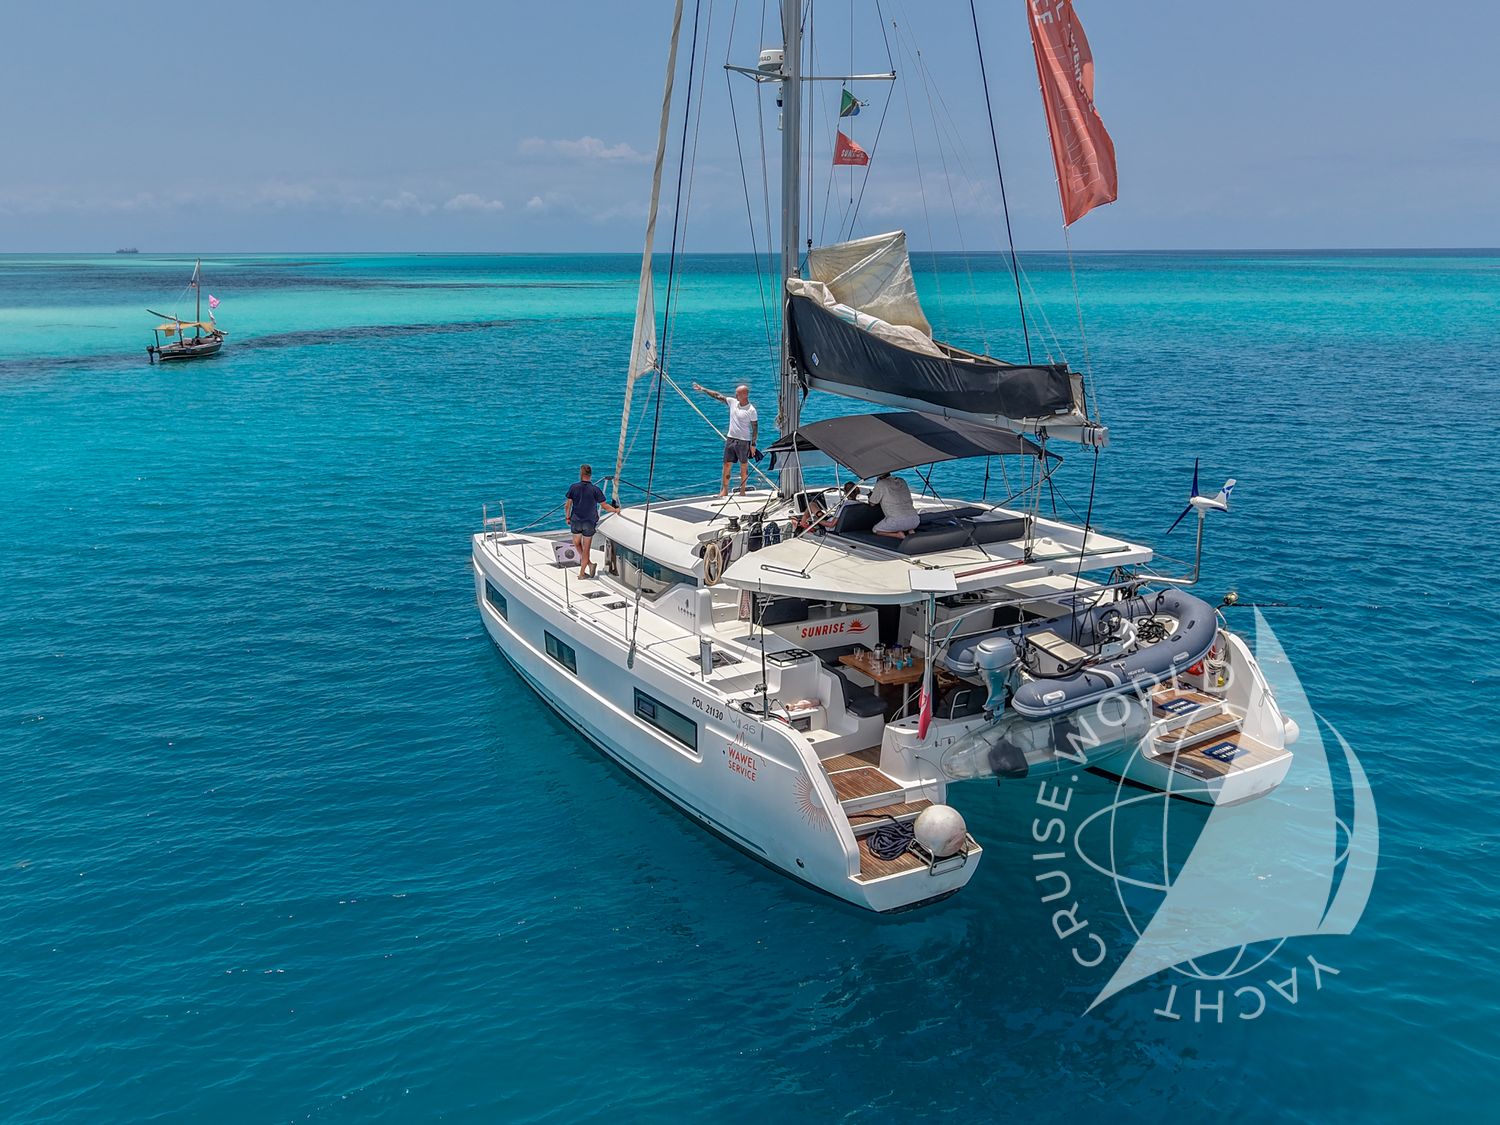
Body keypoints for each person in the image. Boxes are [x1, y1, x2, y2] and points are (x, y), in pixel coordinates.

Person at [691, 382, 758, 496]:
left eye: (738, 394)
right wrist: (703, 389)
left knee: (743, 466)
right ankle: (724, 490)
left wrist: (753, 444)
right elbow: (717, 395)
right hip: (731, 439)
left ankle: (742, 491)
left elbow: (755, 428)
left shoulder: (751, 410)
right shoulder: (733, 402)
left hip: (743, 441)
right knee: (726, 465)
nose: (735, 395)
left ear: (745, 395)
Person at [563, 464, 619, 580]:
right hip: (589, 522)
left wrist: (567, 517)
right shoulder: (595, 490)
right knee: (586, 549)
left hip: (576, 520)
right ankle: (585, 568)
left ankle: (584, 570)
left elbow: (567, 505)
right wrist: (616, 510)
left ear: (581, 474)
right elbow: (605, 506)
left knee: (577, 543)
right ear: (590, 475)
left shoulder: (574, 487)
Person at [869, 472, 919, 539]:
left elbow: (872, 503)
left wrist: (871, 496)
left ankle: (898, 535)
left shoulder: (881, 483)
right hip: (915, 520)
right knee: (903, 518)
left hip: (897, 521)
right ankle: (910, 530)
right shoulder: (902, 481)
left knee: (875, 530)